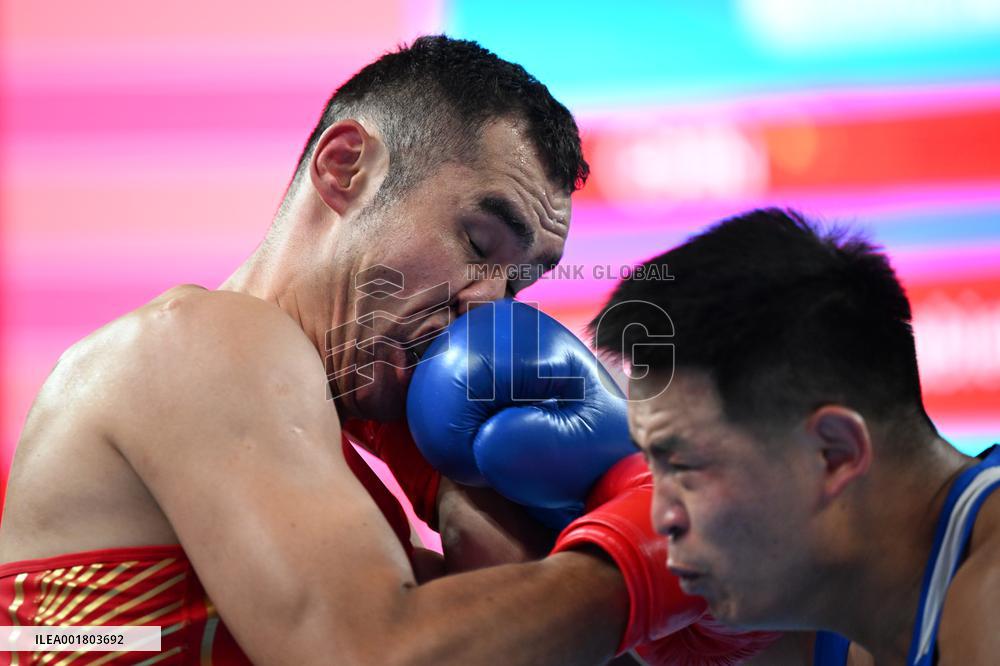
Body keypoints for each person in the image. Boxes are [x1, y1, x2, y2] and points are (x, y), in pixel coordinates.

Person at [0, 36, 767, 665]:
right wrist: (644, 557)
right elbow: (370, 656)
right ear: (345, 168)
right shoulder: (207, 342)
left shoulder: (342, 469)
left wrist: (480, 501)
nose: (487, 305)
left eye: (518, 283)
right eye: (477, 241)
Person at [589, 208, 1000, 665]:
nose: (659, 516)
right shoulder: (845, 619)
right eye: (650, 464)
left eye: (684, 466)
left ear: (833, 453)